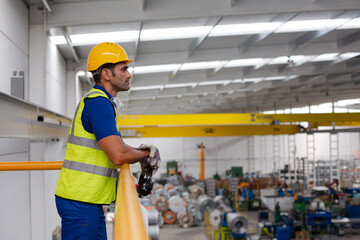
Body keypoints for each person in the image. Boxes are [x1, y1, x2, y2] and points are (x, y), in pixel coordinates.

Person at [55, 42, 161, 240]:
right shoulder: (98, 103)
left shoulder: (101, 102)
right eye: (124, 69)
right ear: (106, 74)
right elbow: (118, 154)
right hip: (80, 201)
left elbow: (117, 147)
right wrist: (146, 156)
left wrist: (141, 153)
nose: (129, 74)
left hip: (87, 200)